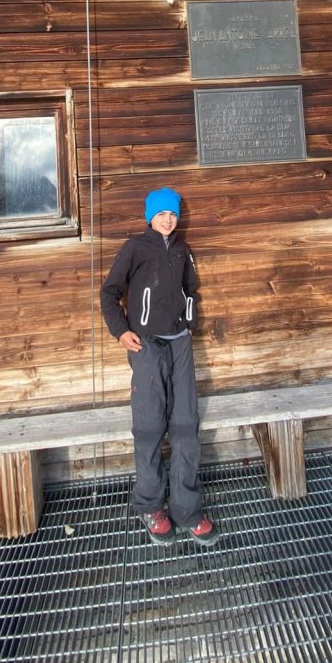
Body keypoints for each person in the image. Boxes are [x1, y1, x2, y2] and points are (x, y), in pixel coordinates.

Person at [100, 186, 219, 547]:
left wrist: (189, 322)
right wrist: (121, 332)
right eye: (161, 214)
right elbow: (109, 293)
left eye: (173, 214)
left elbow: (191, 291)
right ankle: (151, 506)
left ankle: (187, 509)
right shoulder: (135, 248)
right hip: (147, 347)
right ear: (149, 216)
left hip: (179, 345)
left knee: (185, 425)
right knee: (150, 426)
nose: (168, 220)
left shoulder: (183, 251)